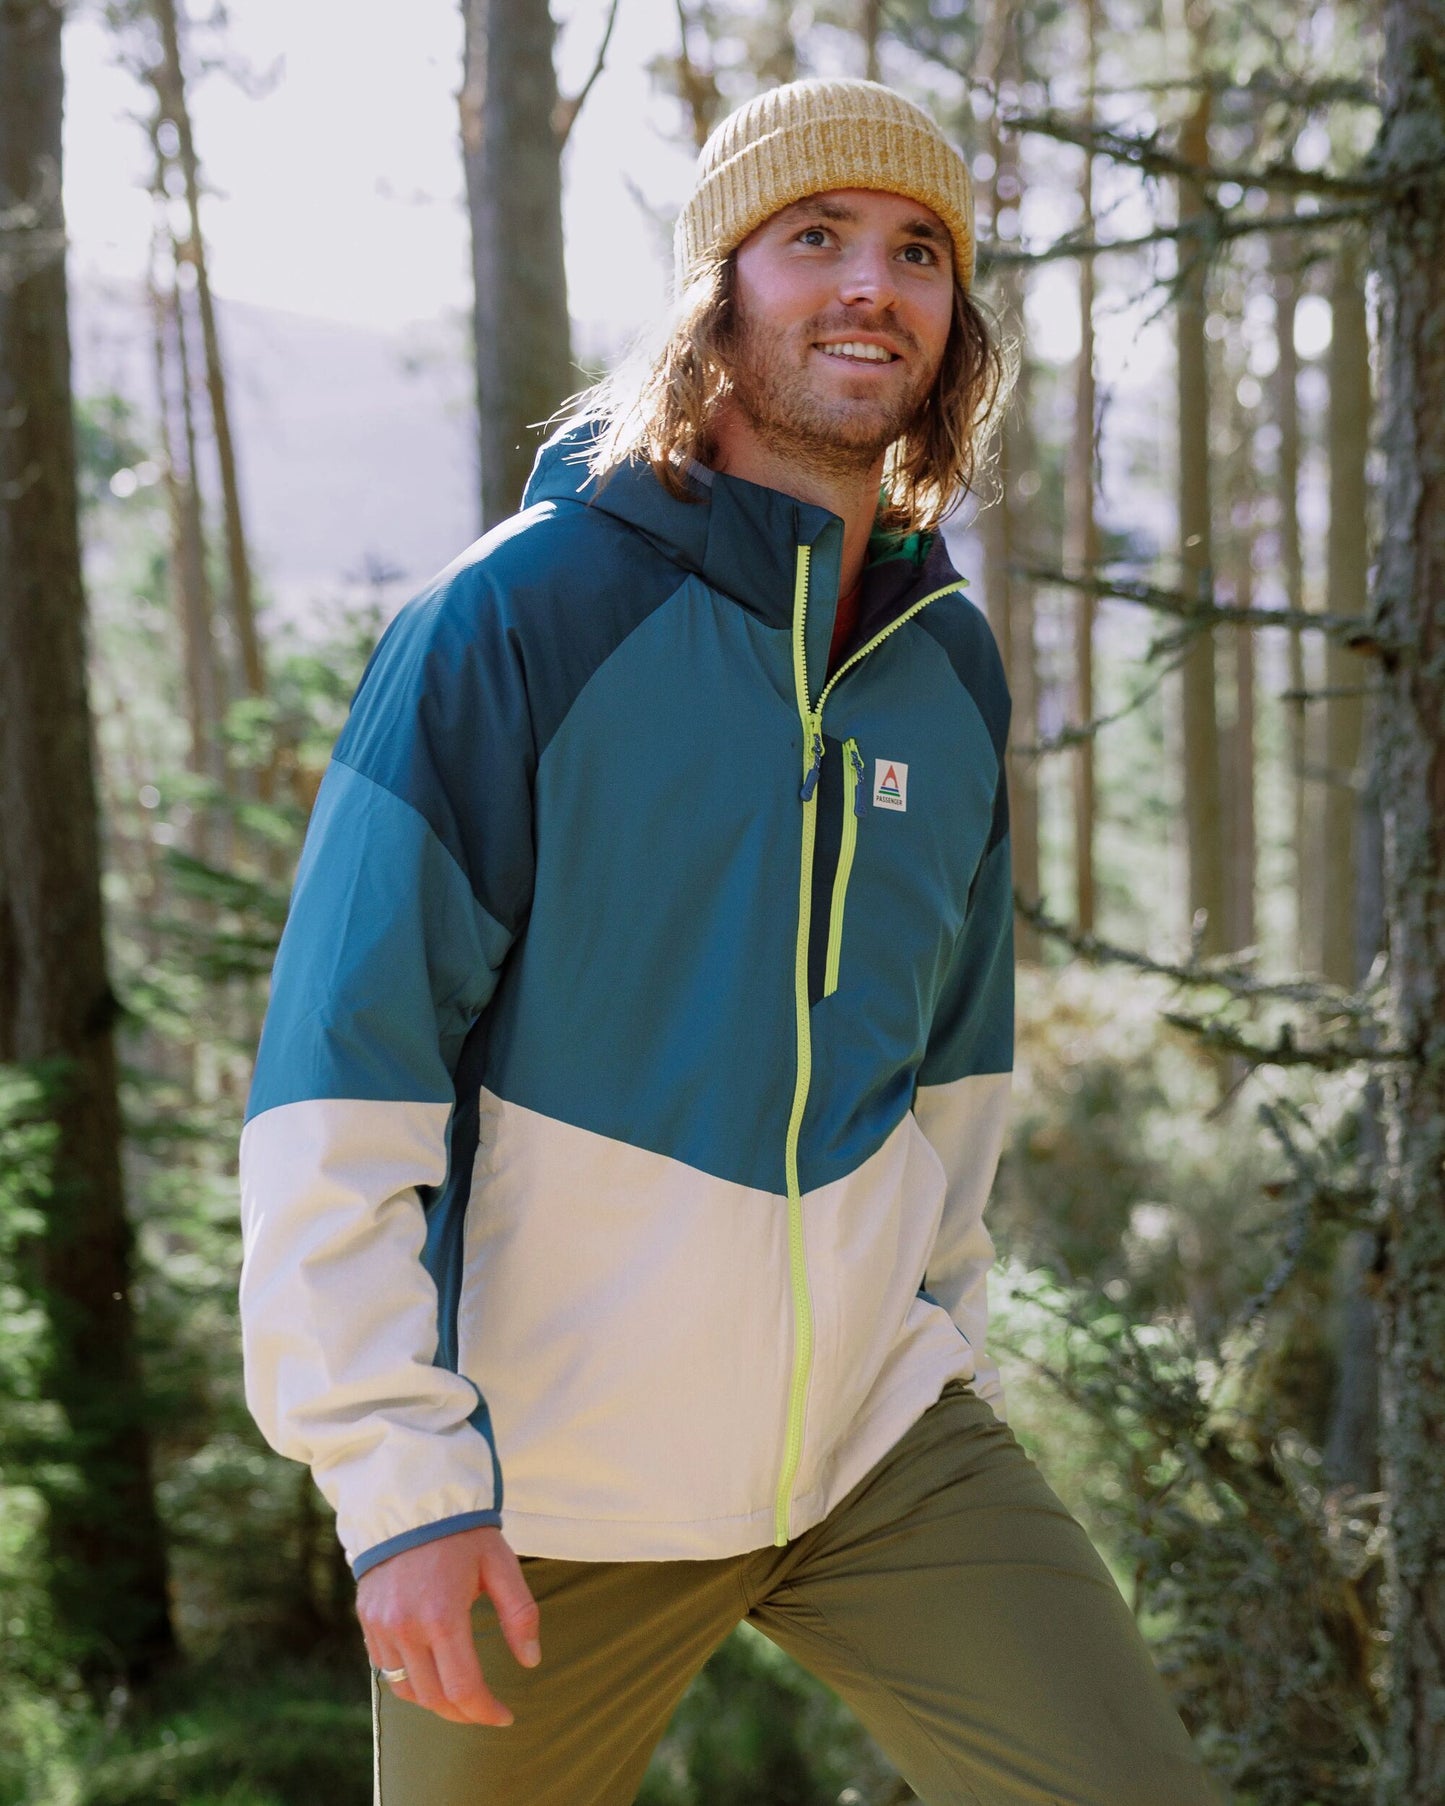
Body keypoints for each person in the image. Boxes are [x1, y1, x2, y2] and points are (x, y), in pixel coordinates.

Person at [239, 77, 1227, 1806]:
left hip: (873, 1446)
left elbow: (951, 1069)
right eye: (814, 236)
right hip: (548, 1488)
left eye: (916, 251)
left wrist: (933, 1333)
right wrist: (398, 1478)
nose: (870, 286)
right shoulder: (516, 620)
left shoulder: (939, 660)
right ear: (716, 291)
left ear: (954, 317)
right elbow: (342, 1071)